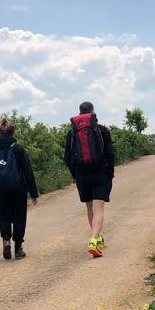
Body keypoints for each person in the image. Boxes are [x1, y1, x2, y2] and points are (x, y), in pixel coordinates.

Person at [64, 100, 115, 258]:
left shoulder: (72, 134)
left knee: (89, 207)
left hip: (82, 175)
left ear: (79, 113)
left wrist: (76, 175)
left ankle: (98, 238)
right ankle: (94, 241)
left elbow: (67, 158)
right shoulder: (102, 130)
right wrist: (110, 174)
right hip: (100, 174)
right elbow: (111, 154)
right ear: (93, 112)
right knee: (98, 208)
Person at [0, 117, 39, 260]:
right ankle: (18, 248)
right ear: (13, 132)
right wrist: (33, 193)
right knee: (19, 217)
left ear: (0, 131)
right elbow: (28, 171)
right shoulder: (18, 149)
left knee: (4, 215)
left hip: (0, 189)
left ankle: (6, 240)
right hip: (19, 189)